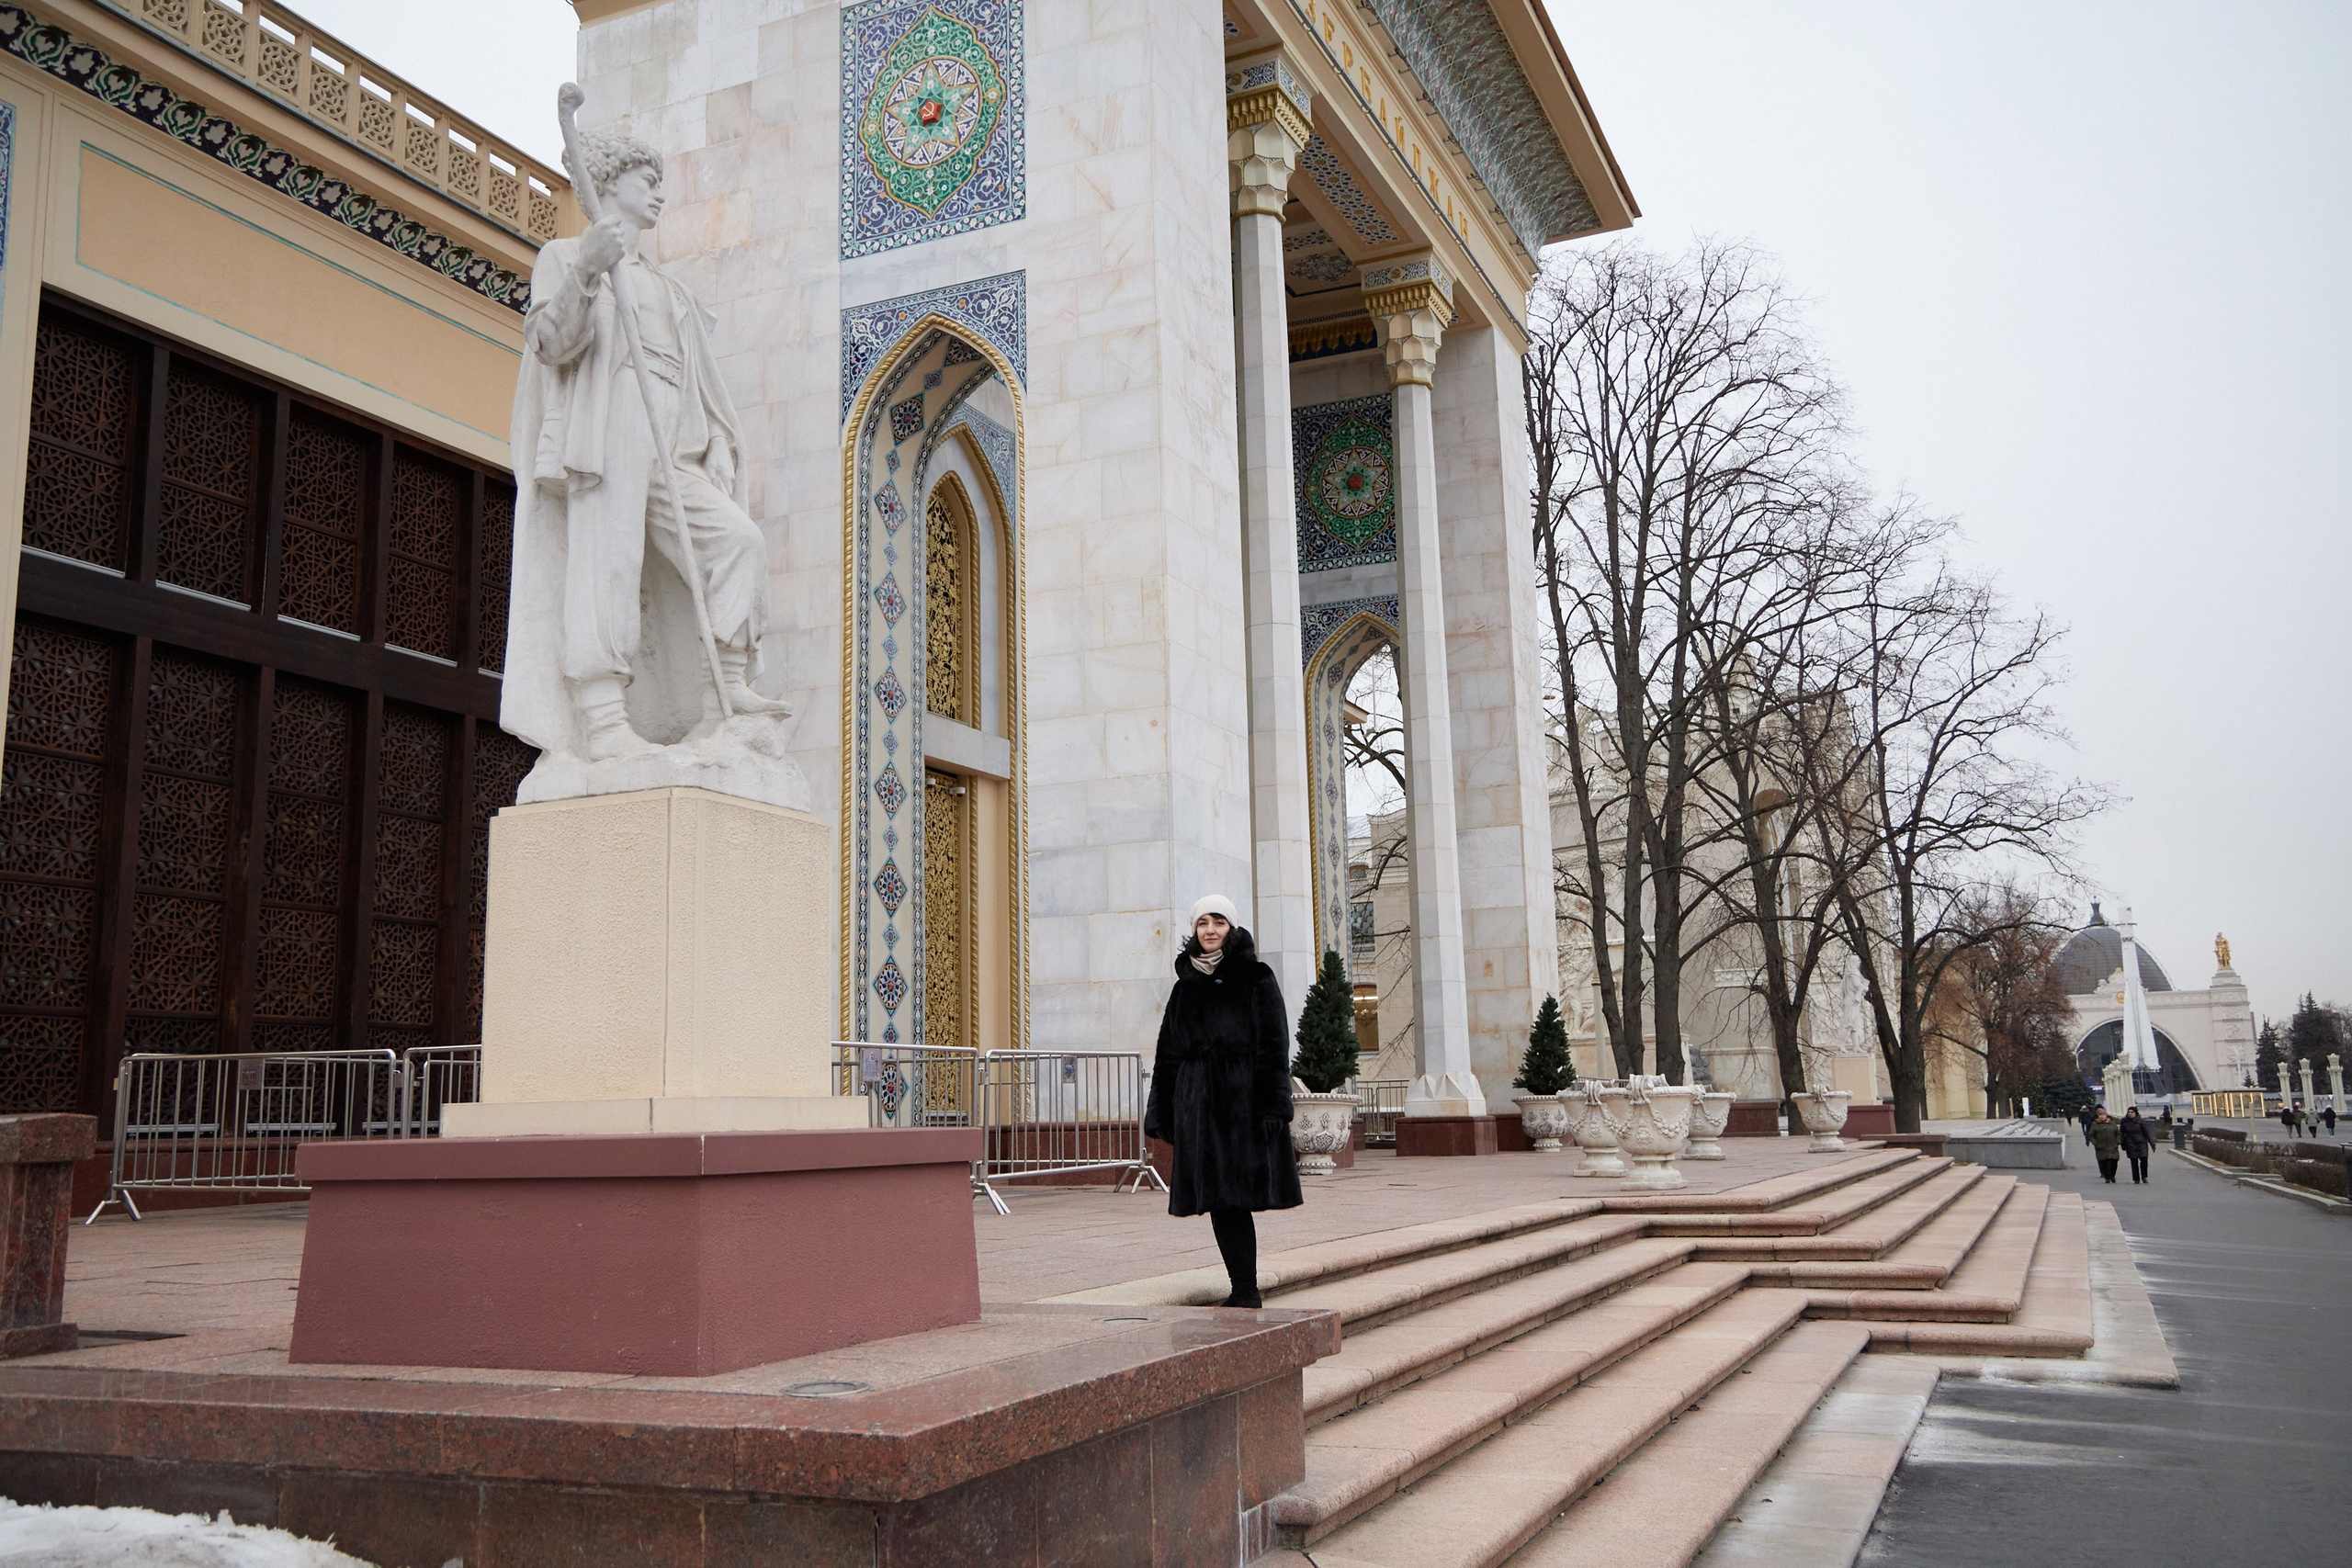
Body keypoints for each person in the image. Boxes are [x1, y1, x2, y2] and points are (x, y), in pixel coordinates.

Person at [1143, 896, 1303, 1308]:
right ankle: (1242, 1289)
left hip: (1243, 1105)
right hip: (1198, 1107)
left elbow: (1274, 1044)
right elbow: (1168, 1054)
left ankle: (1246, 1290)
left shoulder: (1256, 977)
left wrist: (1273, 1104)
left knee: (1236, 1198)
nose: (1210, 930)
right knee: (1217, 1200)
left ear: (1231, 928)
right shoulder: (1185, 988)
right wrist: (1161, 1111)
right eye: (1202, 923)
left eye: (1218, 922)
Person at [2119, 1106, 2154, 1184]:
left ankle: (2144, 1176)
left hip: (2141, 1143)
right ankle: (2136, 1179)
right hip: (2130, 1143)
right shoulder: (2124, 1121)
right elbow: (2121, 1133)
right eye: (2129, 1112)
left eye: (2132, 1112)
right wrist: (2122, 1143)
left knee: (2144, 1160)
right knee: (2134, 1161)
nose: (2130, 1114)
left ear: (2136, 1113)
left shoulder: (2141, 1121)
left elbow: (2147, 1133)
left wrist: (2152, 1144)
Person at [2088, 1107, 2122, 1184]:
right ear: (2098, 1116)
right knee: (2104, 1162)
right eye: (2100, 1115)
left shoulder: (2112, 1123)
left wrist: (2118, 1141)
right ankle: (2107, 1178)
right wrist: (2095, 1143)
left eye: (2103, 1115)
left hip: (2113, 1146)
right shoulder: (2095, 1124)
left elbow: (2118, 1134)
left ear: (2106, 1115)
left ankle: (2112, 1175)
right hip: (2101, 1146)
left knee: (2114, 1161)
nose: (2102, 1116)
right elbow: (2091, 1135)